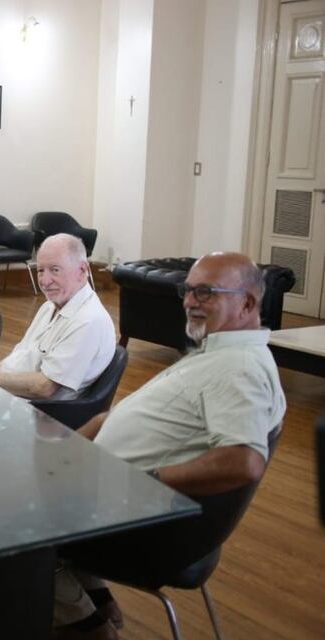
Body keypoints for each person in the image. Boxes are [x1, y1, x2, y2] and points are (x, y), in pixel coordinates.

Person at [52, 252, 286, 639]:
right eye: (188, 290)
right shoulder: (219, 352)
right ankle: (91, 599)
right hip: (111, 497)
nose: (191, 302)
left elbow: (244, 462)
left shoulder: (238, 368)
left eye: (206, 293)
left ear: (247, 303)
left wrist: (142, 479)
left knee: (3, 527)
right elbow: (120, 419)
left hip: (146, 530)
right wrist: (74, 448)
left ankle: (86, 625)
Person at [0, 234, 115, 399]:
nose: (45, 281)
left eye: (55, 270)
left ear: (82, 270)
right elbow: (20, 355)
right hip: (6, 396)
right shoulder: (49, 306)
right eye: (41, 270)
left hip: (38, 414)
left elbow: (44, 387)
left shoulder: (88, 320)